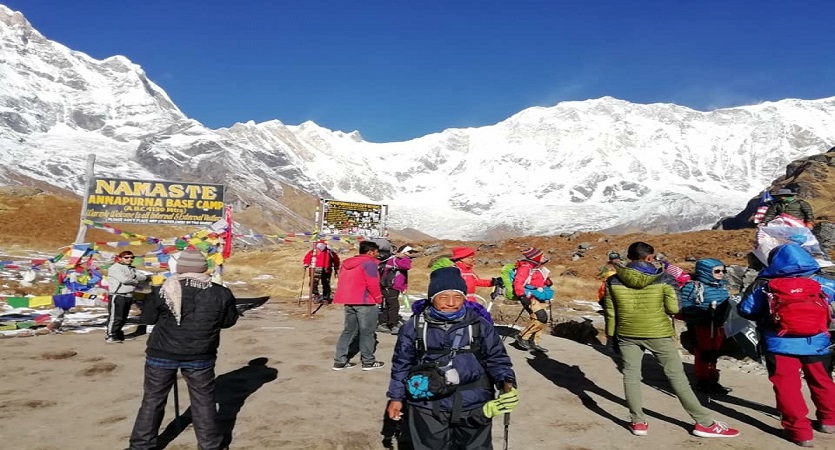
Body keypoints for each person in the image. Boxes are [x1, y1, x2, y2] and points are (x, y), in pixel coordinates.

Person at [603, 241, 740, 438]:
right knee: (676, 376)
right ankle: (703, 422)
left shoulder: (613, 280)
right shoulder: (664, 278)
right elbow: (674, 308)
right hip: (658, 332)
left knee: (631, 376)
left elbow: (611, 312)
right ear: (650, 257)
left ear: (630, 257)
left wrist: (611, 335)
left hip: (627, 333)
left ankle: (638, 421)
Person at [386, 267, 518, 449]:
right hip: (426, 404)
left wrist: (506, 382)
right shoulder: (414, 326)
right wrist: (396, 397)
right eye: (443, 297)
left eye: (457, 297)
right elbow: (401, 364)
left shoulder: (480, 325)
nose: (450, 303)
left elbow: (497, 359)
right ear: (432, 298)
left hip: (474, 404)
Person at [128, 248, 238, 450]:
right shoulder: (221, 292)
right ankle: (210, 445)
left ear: (179, 268)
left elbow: (148, 319)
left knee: (153, 399)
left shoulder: (163, 289)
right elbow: (228, 321)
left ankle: (141, 445)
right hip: (201, 354)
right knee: (203, 400)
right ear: (203, 268)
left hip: (162, 352)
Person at [738, 243, 835, 447]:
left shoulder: (764, 284)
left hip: (778, 344)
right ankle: (829, 421)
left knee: (787, 387)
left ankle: (800, 433)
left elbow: (746, 310)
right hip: (817, 343)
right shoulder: (822, 281)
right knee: (822, 381)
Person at [680, 258, 732, 396]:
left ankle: (713, 379)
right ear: (705, 272)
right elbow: (685, 306)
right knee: (704, 353)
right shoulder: (693, 287)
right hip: (701, 325)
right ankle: (703, 380)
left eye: (723, 270)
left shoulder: (721, 286)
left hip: (718, 325)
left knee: (714, 353)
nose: (721, 273)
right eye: (717, 271)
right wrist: (704, 313)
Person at [332, 240, 386, 371]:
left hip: (349, 301)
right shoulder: (369, 264)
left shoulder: (347, 263)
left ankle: (340, 361)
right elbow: (372, 283)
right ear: (370, 252)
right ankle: (368, 362)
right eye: (376, 252)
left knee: (348, 331)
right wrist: (379, 298)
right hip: (365, 302)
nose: (377, 254)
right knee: (367, 332)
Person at [512, 247, 554, 353]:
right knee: (541, 317)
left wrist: (547, 282)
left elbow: (537, 281)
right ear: (535, 257)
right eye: (541, 255)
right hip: (529, 296)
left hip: (539, 295)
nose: (543, 257)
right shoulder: (525, 268)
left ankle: (534, 342)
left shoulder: (536, 267)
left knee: (540, 318)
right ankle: (523, 337)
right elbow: (518, 283)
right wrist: (522, 296)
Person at [105, 250, 148, 343]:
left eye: (132, 257)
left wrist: (133, 276)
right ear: (120, 258)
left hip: (129, 295)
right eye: (126, 257)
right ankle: (111, 335)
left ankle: (118, 335)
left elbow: (143, 277)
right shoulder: (115, 268)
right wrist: (135, 279)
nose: (129, 259)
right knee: (116, 317)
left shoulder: (131, 268)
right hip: (118, 295)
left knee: (124, 317)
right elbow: (124, 280)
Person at [377, 244, 417, 335]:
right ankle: (392, 325)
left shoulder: (397, 260)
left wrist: (404, 287)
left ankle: (383, 323)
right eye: (409, 252)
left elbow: (403, 276)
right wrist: (405, 257)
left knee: (389, 305)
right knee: (394, 306)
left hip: (392, 287)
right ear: (403, 252)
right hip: (389, 287)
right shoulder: (395, 260)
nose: (410, 254)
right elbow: (407, 266)